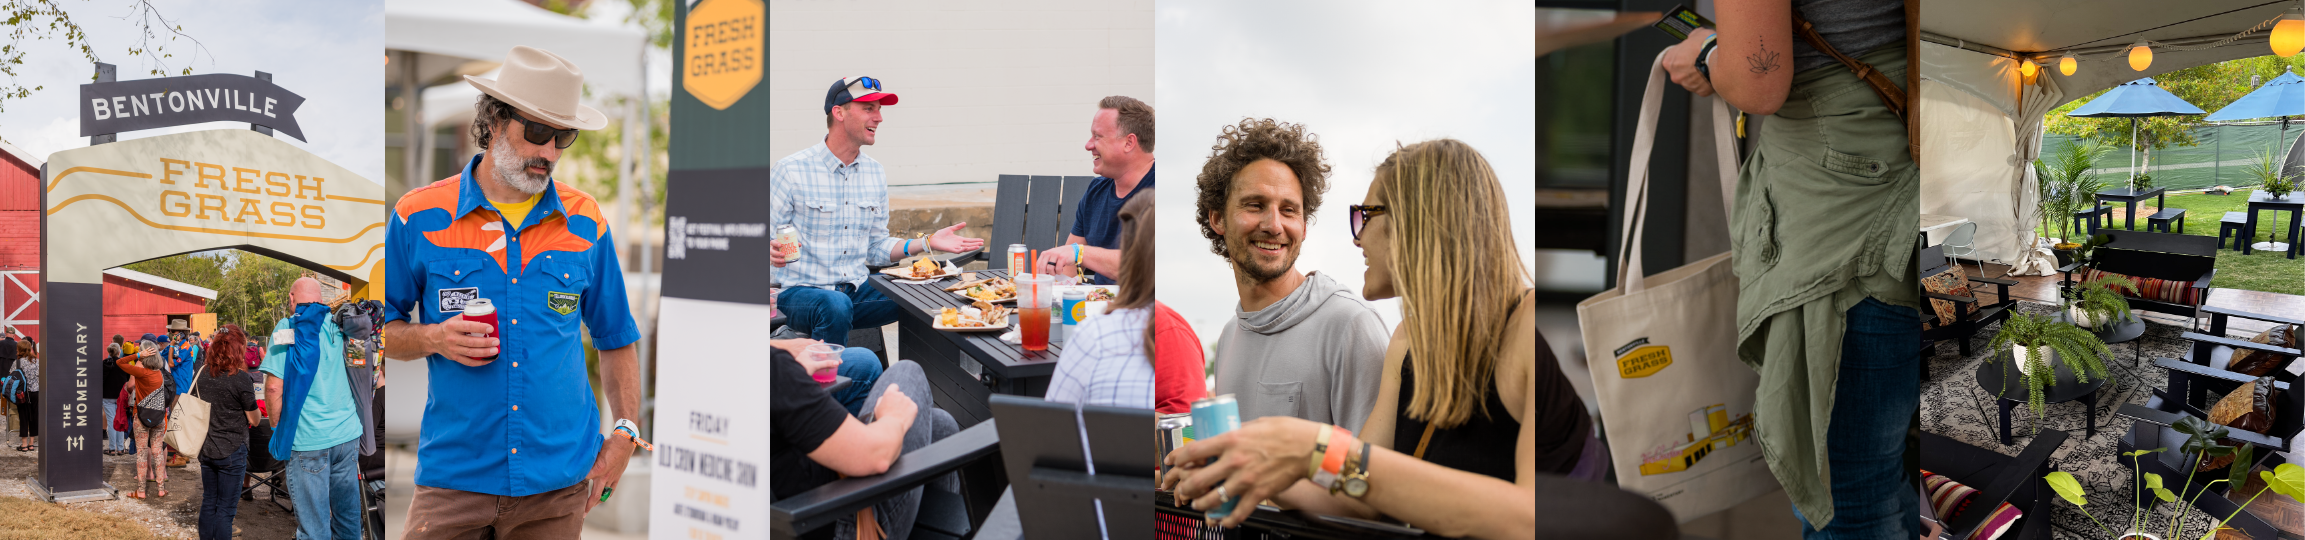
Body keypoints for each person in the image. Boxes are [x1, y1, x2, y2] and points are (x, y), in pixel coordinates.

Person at [1164, 140, 1567, 538]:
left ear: (1420, 219)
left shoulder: (1525, 324)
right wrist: (1253, 475)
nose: (1357, 238)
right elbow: (1362, 497)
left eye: (1367, 215)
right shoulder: (1406, 339)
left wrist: (1314, 447)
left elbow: (1529, 518)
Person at [1663, 1, 1918, 536]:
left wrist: (1709, 51)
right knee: (1882, 476)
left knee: (1849, 498)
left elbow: (1760, 82)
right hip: (1899, 173)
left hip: (1844, 213)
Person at [383, 45, 645, 540]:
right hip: (453, 482)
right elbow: (379, 333)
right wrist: (433, 338)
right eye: (538, 132)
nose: (549, 152)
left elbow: (616, 336)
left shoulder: (587, 220)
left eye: (563, 136)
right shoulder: (417, 215)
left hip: (559, 486)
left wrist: (626, 431)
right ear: (495, 121)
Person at [1192, 118, 1388, 432]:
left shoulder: (1350, 325)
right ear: (1218, 218)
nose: (1274, 225)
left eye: (1289, 210)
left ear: (1305, 225)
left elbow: (1376, 473)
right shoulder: (1230, 335)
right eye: (1255, 205)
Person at [769, 76, 987, 353]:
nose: (880, 117)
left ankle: (930, 389)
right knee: (834, 305)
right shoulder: (790, 170)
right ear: (839, 112)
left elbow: (874, 247)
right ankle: (830, 387)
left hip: (857, 291)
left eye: (879, 109)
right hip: (799, 294)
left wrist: (927, 242)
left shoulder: (875, 172)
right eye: (869, 108)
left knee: (936, 292)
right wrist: (770, 251)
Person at [770, 338, 958, 540]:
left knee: (940, 426)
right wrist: (894, 418)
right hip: (840, 522)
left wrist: (793, 378)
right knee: (906, 372)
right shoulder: (772, 368)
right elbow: (876, 456)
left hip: (788, 508)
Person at [264, 278, 368, 539]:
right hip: (347, 435)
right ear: (321, 300)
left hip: (309, 440)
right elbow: (359, 370)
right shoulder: (340, 325)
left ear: (291, 299)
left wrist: (278, 428)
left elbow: (274, 387)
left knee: (314, 529)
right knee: (348, 521)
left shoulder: (287, 326)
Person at [1046, 190, 1158, 409]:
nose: (1089, 152)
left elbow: (1054, 423)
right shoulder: (1180, 333)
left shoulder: (1094, 337)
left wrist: (1080, 253)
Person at [1036, 96, 1155, 285]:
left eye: (1097, 136)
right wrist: (1049, 283)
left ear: (1129, 142)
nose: (1088, 145)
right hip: (1099, 306)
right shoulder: (1096, 190)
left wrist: (1079, 253)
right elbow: (1069, 269)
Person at [196, 325, 260, 540]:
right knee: (225, 511)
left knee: (209, 502)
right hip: (232, 450)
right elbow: (254, 419)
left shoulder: (203, 374)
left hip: (206, 447)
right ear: (238, 349)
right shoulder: (241, 379)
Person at [121, 334, 171, 498]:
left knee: (142, 453)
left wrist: (138, 356)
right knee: (158, 452)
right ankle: (161, 489)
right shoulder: (160, 374)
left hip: (140, 416)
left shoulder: (140, 372)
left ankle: (141, 491)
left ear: (145, 354)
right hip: (159, 417)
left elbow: (119, 362)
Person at [104, 334, 132, 455]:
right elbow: (127, 380)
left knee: (111, 421)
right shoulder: (123, 365)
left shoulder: (104, 363)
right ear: (119, 351)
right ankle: (120, 448)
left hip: (107, 396)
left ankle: (111, 448)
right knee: (120, 420)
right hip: (121, 396)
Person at [10, 327, 34, 453]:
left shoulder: (17, 362)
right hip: (35, 393)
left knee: (23, 417)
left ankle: (24, 444)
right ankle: (31, 444)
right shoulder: (36, 361)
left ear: (19, 349)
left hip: (22, 394)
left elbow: (11, 376)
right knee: (34, 417)